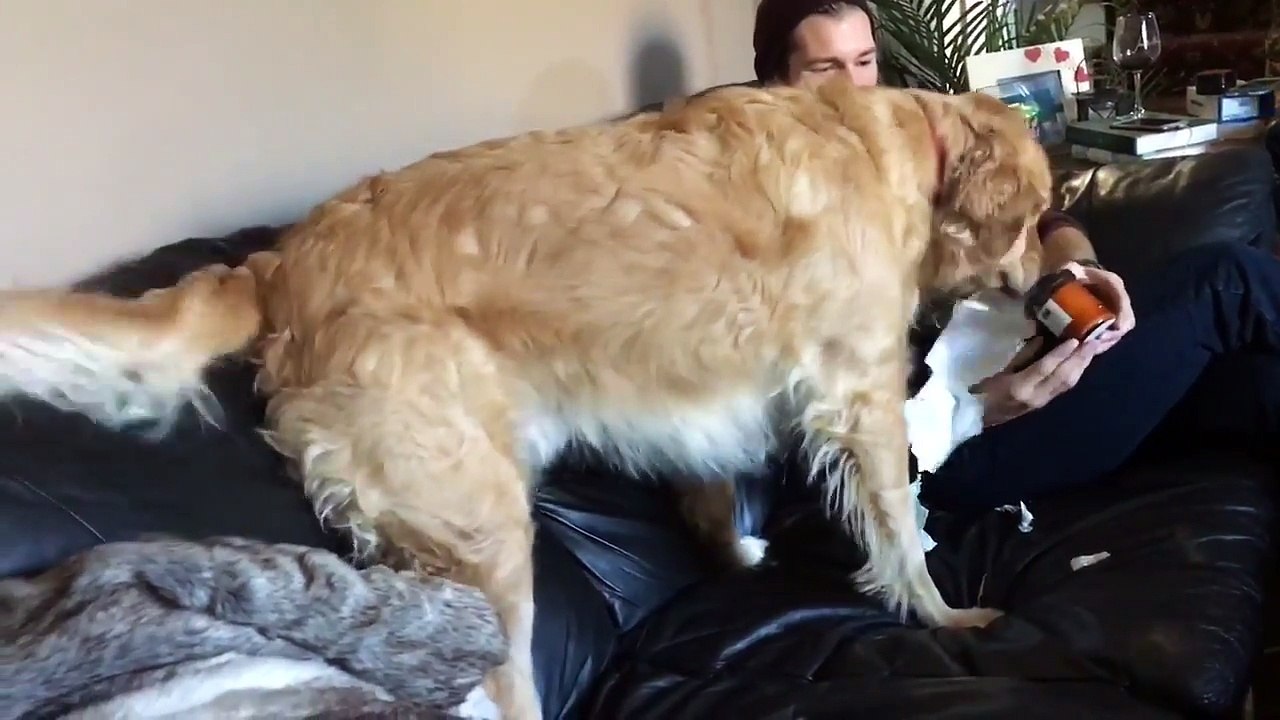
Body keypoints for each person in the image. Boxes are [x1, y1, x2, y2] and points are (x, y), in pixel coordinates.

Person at [751, 0, 1280, 512]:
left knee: (1252, 383)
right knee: (1224, 280)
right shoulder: (758, 210)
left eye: (864, 62)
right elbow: (812, 440)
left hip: (1015, 360)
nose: (855, 91)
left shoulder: (897, 151)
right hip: (951, 453)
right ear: (776, 82)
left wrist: (1078, 268)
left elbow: (1043, 218)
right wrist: (976, 410)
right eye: (826, 69)